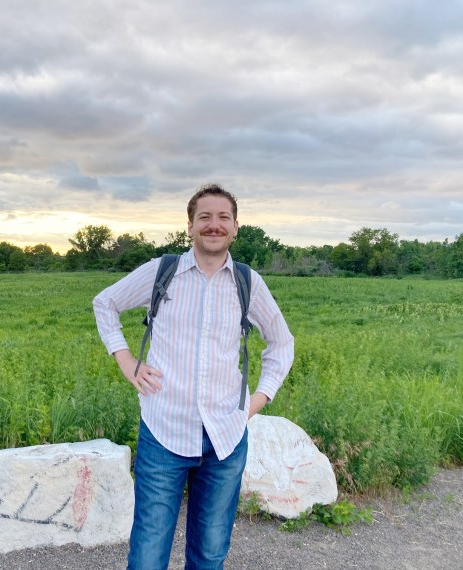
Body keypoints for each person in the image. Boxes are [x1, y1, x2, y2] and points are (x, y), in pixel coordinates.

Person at [93, 183, 294, 569]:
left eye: (223, 218)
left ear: (236, 227)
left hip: (225, 437)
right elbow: (106, 303)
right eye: (204, 217)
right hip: (164, 428)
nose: (213, 225)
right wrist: (126, 361)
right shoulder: (162, 272)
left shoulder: (247, 283)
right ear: (189, 226)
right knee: (148, 554)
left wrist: (257, 400)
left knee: (210, 553)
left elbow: (281, 343)